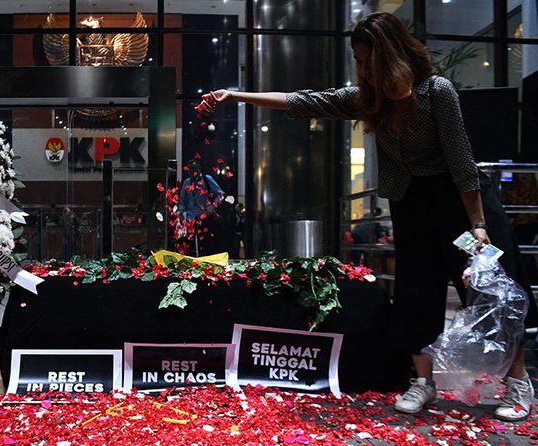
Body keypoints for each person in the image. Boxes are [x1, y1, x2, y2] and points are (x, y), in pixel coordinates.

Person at [198, 12, 535, 420]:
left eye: (366, 61)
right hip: (411, 202)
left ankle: (518, 382)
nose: (361, 70)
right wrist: (236, 97)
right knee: (415, 293)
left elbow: (462, 161)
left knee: (489, 294)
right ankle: (422, 383)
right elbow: (306, 102)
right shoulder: (368, 100)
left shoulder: (436, 92)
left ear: (391, 55)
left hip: (461, 201)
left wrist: (478, 224)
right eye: (357, 61)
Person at [178, 160, 225, 255]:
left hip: (205, 217)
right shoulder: (187, 182)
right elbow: (182, 200)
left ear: (198, 169)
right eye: (189, 168)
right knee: (189, 247)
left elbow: (220, 194)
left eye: (193, 168)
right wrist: (181, 213)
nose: (191, 171)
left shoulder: (207, 179)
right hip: (190, 218)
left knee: (207, 245)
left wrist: (212, 207)